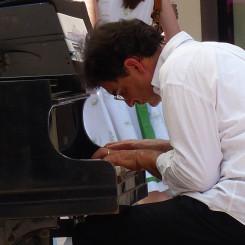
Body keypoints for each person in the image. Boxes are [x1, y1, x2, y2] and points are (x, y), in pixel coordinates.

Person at [72, 0, 245, 243]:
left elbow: (198, 178)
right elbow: (217, 149)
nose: (130, 103)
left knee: (96, 232)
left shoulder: (177, 73)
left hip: (236, 211)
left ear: (133, 65)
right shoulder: (213, 52)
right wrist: (158, 148)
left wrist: (141, 158)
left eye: (120, 92)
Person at [83, 0, 171, 202]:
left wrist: (139, 156)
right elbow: (174, 34)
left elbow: (92, 34)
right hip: (137, 68)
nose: (129, 102)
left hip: (119, 70)